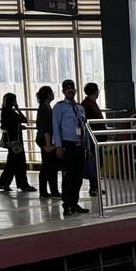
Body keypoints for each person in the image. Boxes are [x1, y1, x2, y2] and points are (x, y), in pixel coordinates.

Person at [51, 78, 88, 214]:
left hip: (80, 146)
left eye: (71, 88)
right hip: (67, 146)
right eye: (67, 88)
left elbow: (84, 127)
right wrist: (58, 146)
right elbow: (56, 127)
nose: (69, 90)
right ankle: (66, 205)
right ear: (63, 91)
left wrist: (87, 147)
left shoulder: (80, 108)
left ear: (75, 90)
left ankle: (74, 203)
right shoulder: (59, 107)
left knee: (78, 177)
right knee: (68, 177)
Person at [0, 93, 35, 193]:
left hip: (11, 142)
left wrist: (18, 126)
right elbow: (24, 120)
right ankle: (23, 185)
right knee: (20, 163)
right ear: (12, 102)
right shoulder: (12, 113)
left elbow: (10, 125)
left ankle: (3, 183)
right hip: (16, 143)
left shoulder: (5, 112)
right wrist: (18, 109)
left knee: (11, 163)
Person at [34, 84, 59, 200]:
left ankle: (45, 191)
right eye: (52, 92)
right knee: (50, 166)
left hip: (44, 139)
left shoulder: (45, 107)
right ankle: (52, 190)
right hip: (46, 140)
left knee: (47, 166)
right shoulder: (45, 108)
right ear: (49, 94)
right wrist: (48, 144)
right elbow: (45, 128)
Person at [82, 81, 103, 198]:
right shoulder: (86, 104)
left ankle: (96, 185)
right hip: (92, 138)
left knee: (98, 162)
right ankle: (93, 186)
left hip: (98, 137)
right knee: (94, 162)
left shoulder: (92, 103)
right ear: (95, 91)